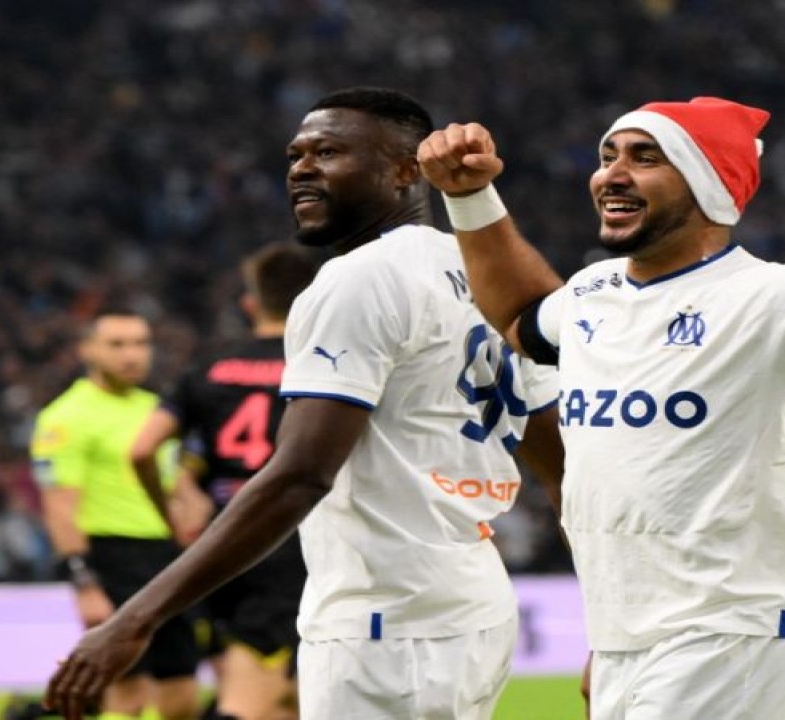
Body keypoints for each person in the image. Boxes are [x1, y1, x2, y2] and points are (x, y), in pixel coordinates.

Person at [418, 98, 785, 719]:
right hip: (629, 640)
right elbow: (519, 318)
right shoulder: (590, 295)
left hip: (733, 642)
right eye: (608, 156)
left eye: (645, 157)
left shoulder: (780, 298)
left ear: (707, 181)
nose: (612, 173)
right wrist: (470, 198)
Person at [45, 87, 564, 720]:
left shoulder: (360, 279)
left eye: (330, 151)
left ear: (406, 171)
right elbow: (557, 454)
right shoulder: (483, 270)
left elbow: (299, 476)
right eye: (296, 154)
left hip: (384, 614)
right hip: (472, 598)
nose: (301, 167)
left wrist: (136, 618)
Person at [128, 242, 318, 720]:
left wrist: (170, 510)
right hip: (297, 539)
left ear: (250, 303)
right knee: (279, 691)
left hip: (225, 540)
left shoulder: (207, 370)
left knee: (259, 683)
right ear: (312, 299)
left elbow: (143, 449)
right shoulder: (320, 367)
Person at [31, 308, 201, 720]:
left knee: (182, 688)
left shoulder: (156, 409)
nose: (132, 355)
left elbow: (175, 481)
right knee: (126, 690)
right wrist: (84, 583)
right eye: (117, 344)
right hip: (112, 557)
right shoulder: (65, 418)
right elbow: (59, 508)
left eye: (141, 344)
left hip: (167, 557)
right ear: (86, 350)